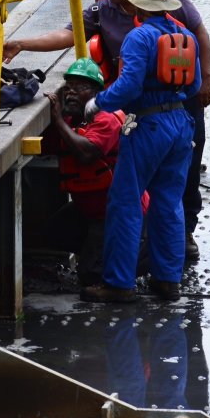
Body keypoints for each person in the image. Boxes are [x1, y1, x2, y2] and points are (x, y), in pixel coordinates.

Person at [3, 0, 210, 261]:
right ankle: (163, 266)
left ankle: (165, 247)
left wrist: (95, 105)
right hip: (148, 107)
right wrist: (22, 43)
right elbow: (69, 34)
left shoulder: (166, 3)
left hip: (177, 103)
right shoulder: (104, 9)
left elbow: (199, 35)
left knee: (177, 176)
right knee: (161, 181)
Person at [80, 0, 201, 304]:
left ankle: (118, 283)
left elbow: (129, 85)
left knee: (126, 202)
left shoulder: (140, 37)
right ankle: (167, 280)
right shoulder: (185, 35)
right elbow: (193, 86)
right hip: (180, 123)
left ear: (139, 6)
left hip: (147, 125)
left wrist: (99, 102)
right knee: (168, 204)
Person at [41, 57, 137, 286]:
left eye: (80, 87)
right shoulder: (73, 120)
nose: (72, 93)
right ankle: (96, 251)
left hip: (115, 213)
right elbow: (46, 147)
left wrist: (57, 120)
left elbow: (86, 154)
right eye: (69, 87)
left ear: (96, 93)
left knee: (91, 278)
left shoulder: (106, 118)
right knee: (52, 232)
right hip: (90, 210)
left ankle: (118, 259)